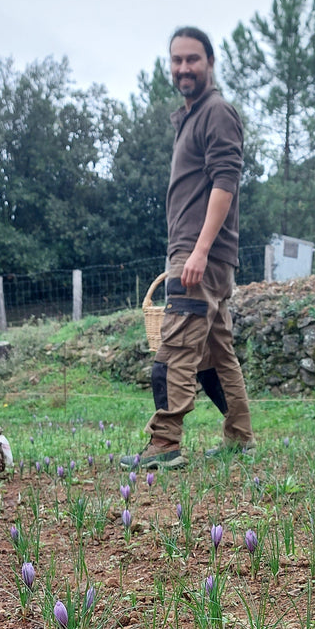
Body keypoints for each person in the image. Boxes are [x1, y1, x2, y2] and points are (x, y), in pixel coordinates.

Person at [123, 26, 254, 469]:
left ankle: (165, 444)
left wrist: (197, 252)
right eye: (176, 60)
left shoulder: (217, 112)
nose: (183, 68)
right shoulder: (191, 117)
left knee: (176, 348)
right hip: (203, 255)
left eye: (192, 59)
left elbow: (225, 181)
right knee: (217, 353)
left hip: (200, 255)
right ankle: (240, 436)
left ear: (210, 63)